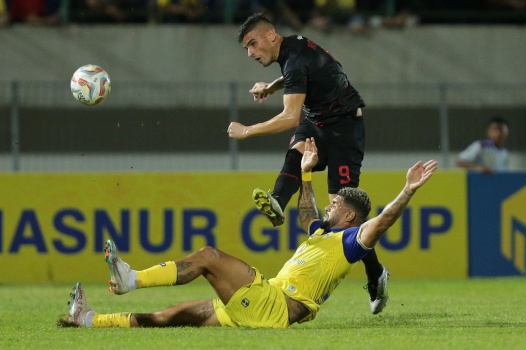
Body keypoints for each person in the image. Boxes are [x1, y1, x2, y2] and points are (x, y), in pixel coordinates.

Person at [58, 138, 438, 329]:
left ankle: (131, 278)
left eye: (336, 204)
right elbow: (306, 212)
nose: (328, 205)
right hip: (268, 304)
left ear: (351, 215)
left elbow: (384, 219)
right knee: (175, 317)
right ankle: (89, 320)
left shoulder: (352, 241)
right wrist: (306, 173)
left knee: (208, 256)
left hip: (277, 305)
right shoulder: (323, 234)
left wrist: (408, 190)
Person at [226, 12, 389, 315]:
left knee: (342, 218)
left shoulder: (294, 57)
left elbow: (289, 117)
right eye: (246, 48)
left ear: (271, 35)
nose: (250, 53)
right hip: (318, 122)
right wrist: (272, 87)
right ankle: (277, 201)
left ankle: (375, 273)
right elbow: (304, 74)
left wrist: (247, 131)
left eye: (253, 43)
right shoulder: (293, 49)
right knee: (298, 150)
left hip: (344, 130)